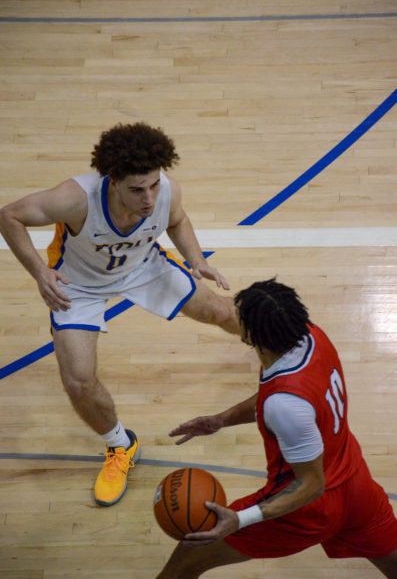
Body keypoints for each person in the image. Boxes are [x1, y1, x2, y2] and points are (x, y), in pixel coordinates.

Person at [0, 122, 239, 507]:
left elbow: (176, 219)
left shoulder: (165, 191)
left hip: (143, 267)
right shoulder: (75, 199)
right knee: (78, 381)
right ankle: (121, 446)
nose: (149, 199)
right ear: (112, 182)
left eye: (154, 186)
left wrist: (197, 260)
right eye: (137, 190)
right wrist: (40, 272)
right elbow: (9, 216)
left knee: (221, 310)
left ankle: (276, 347)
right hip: (77, 285)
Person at [156, 278, 397, 579]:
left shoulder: (284, 404)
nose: (231, 312)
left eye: (238, 314)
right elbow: (283, 396)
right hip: (354, 480)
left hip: (307, 506)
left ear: (250, 337)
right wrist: (222, 419)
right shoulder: (310, 336)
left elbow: (311, 484)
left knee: (187, 558)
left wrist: (242, 518)